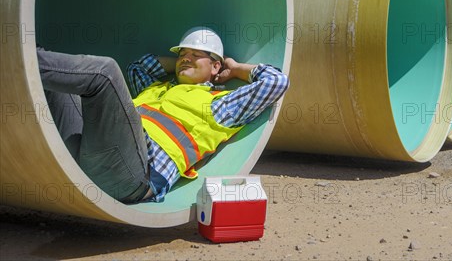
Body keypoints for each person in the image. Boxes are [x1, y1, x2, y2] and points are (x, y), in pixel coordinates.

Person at [38, 27, 289, 203]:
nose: (185, 59)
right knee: (57, 80)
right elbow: (138, 66)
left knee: (105, 73)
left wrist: (234, 69)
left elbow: (276, 82)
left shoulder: (219, 105)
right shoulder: (155, 88)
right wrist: (183, 62)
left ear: (215, 66)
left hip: (134, 174)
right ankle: (21, 57)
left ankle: (19, 57)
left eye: (195, 55)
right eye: (182, 54)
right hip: (84, 155)